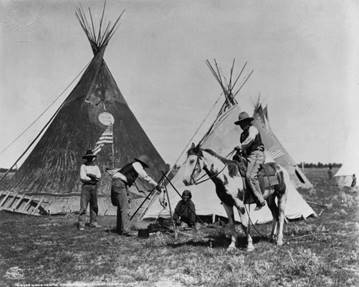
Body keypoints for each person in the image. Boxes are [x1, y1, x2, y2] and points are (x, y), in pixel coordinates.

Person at [107, 155, 161, 235]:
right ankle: (126, 230)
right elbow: (145, 176)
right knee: (124, 208)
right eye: (144, 166)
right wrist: (156, 185)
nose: (144, 168)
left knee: (121, 207)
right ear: (142, 163)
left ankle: (120, 229)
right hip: (120, 183)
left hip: (118, 183)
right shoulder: (137, 165)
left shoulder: (131, 165)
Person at [234, 111, 266, 210]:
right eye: (240, 123)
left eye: (243, 122)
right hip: (249, 156)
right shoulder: (242, 135)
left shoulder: (253, 129)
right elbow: (245, 149)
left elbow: (250, 140)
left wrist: (241, 146)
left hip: (257, 154)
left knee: (250, 176)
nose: (242, 125)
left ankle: (260, 200)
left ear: (248, 122)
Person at [78, 150, 102, 230]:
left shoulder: (96, 167)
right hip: (86, 187)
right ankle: (81, 224)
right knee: (83, 206)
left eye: (91, 157)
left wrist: (92, 176)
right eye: (88, 158)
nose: (90, 159)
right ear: (86, 158)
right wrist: (91, 178)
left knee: (94, 205)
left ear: (93, 158)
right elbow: (83, 177)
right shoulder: (83, 166)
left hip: (94, 186)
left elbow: (99, 176)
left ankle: (93, 222)